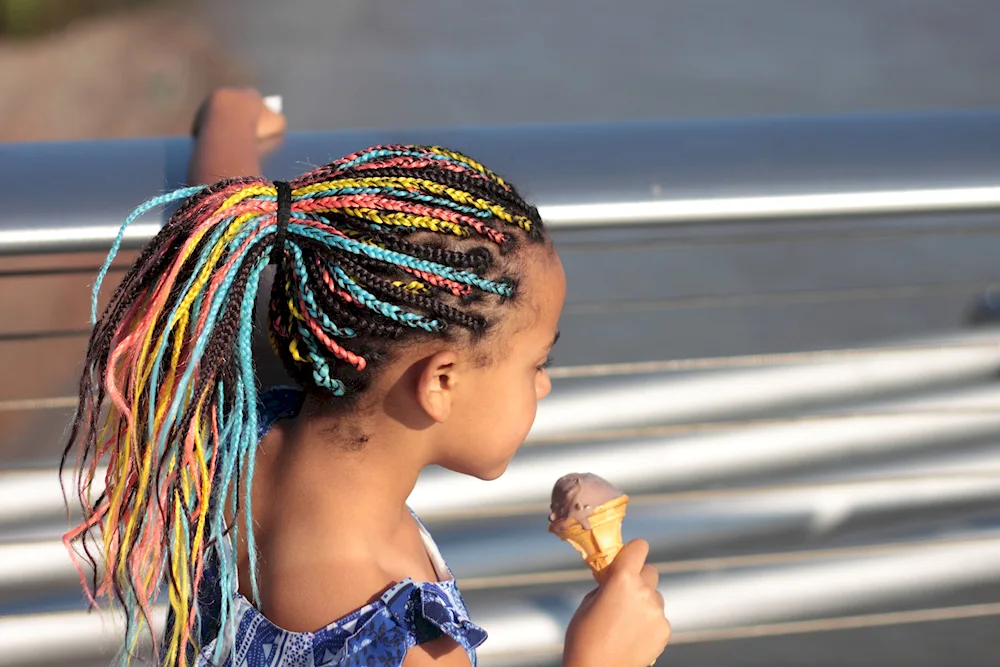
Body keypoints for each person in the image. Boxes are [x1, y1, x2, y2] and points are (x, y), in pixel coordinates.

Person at [61, 88, 671, 667]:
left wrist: (228, 117)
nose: (543, 385)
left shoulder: (231, 430)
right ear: (441, 382)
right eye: (538, 362)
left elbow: (242, 218)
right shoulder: (408, 645)